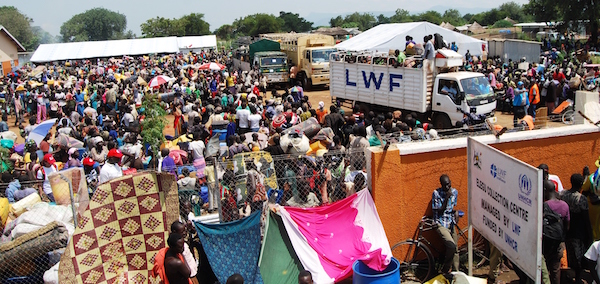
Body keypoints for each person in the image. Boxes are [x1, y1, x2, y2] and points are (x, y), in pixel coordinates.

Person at [561, 174, 593, 283]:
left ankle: (566, 274)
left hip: (566, 227)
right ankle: (578, 278)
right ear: (580, 184)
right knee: (578, 254)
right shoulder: (581, 199)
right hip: (578, 230)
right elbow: (586, 218)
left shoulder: (564, 194)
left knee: (569, 251)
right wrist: (590, 234)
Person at [543, 180, 569, 284]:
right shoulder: (564, 205)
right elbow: (567, 226)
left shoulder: (544, 206)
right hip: (558, 242)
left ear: (545, 190)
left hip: (545, 243)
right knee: (555, 269)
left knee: (543, 268)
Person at [432, 174, 459, 274]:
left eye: (449, 184)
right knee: (451, 246)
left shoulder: (454, 192)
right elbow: (439, 211)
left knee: (455, 249)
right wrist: (446, 198)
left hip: (450, 222)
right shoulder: (436, 193)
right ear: (441, 185)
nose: (448, 187)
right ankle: (446, 269)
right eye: (445, 185)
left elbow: (451, 208)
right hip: (440, 223)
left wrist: (455, 212)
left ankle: (456, 272)